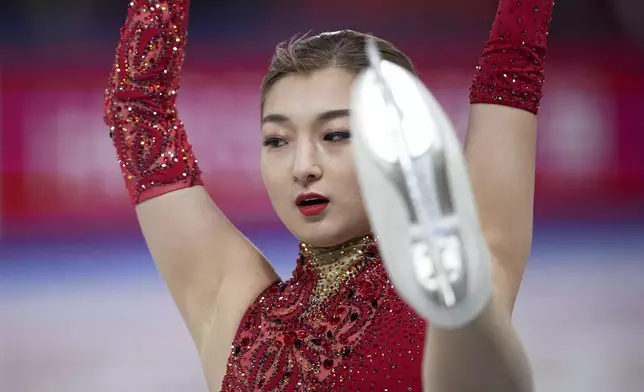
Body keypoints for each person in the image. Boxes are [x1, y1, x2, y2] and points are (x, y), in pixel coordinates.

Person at [104, 0, 554, 391]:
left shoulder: (464, 266)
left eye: (336, 134)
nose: (303, 167)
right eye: (277, 140)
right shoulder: (234, 304)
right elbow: (136, 108)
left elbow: (512, 61)